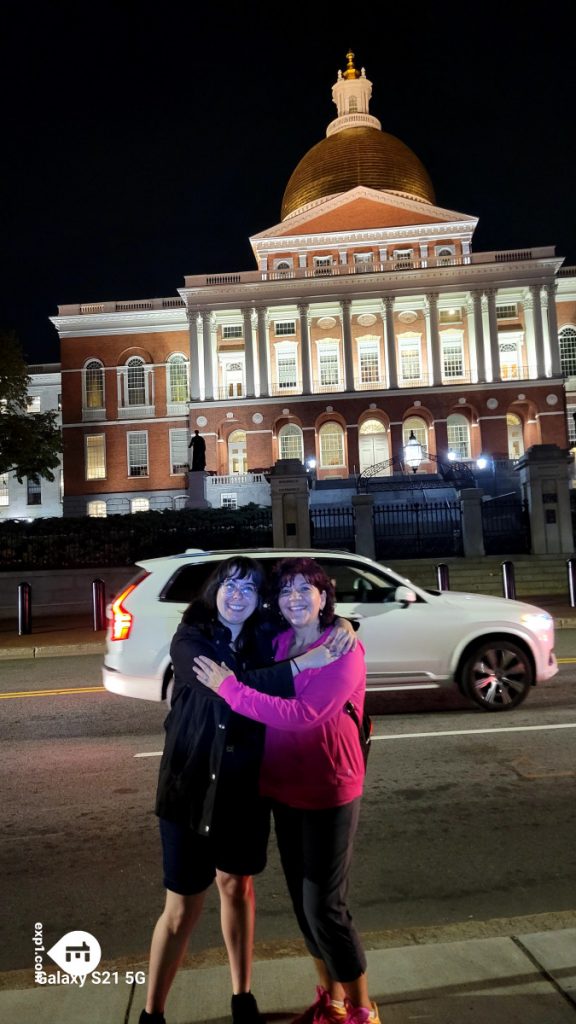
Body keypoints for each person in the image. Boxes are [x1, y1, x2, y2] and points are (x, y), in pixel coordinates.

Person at [140, 555, 356, 1024]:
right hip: (190, 785)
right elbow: (227, 686)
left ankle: (243, 996)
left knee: (237, 887)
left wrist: (343, 623)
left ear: (259, 599)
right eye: (230, 586)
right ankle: (152, 1012)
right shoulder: (191, 638)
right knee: (180, 909)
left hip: (243, 788)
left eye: (249, 589)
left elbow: (305, 616)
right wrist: (302, 666)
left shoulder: (263, 635)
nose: (239, 596)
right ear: (214, 590)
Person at [193, 557, 380, 1024]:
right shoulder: (275, 639)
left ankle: (361, 1009)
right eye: (287, 591)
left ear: (324, 595)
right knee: (303, 903)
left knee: (326, 907)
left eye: (306, 590)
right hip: (280, 786)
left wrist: (231, 690)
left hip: (328, 788)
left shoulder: (342, 649)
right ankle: (332, 999)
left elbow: (304, 715)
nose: (295, 599)